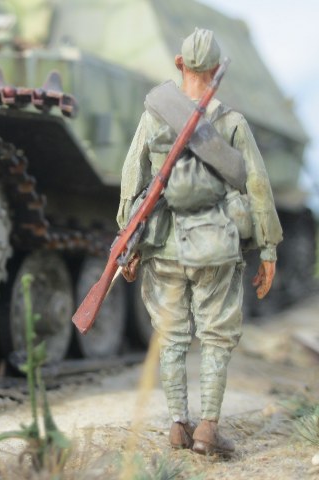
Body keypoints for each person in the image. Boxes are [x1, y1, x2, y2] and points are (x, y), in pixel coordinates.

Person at [116, 28, 283, 456]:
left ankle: (178, 425)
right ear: (216, 71)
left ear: (179, 64)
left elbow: (132, 178)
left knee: (170, 338)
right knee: (216, 336)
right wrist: (267, 248)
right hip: (216, 245)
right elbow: (258, 186)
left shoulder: (154, 114)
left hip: (163, 245)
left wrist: (127, 241)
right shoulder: (232, 122)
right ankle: (208, 427)